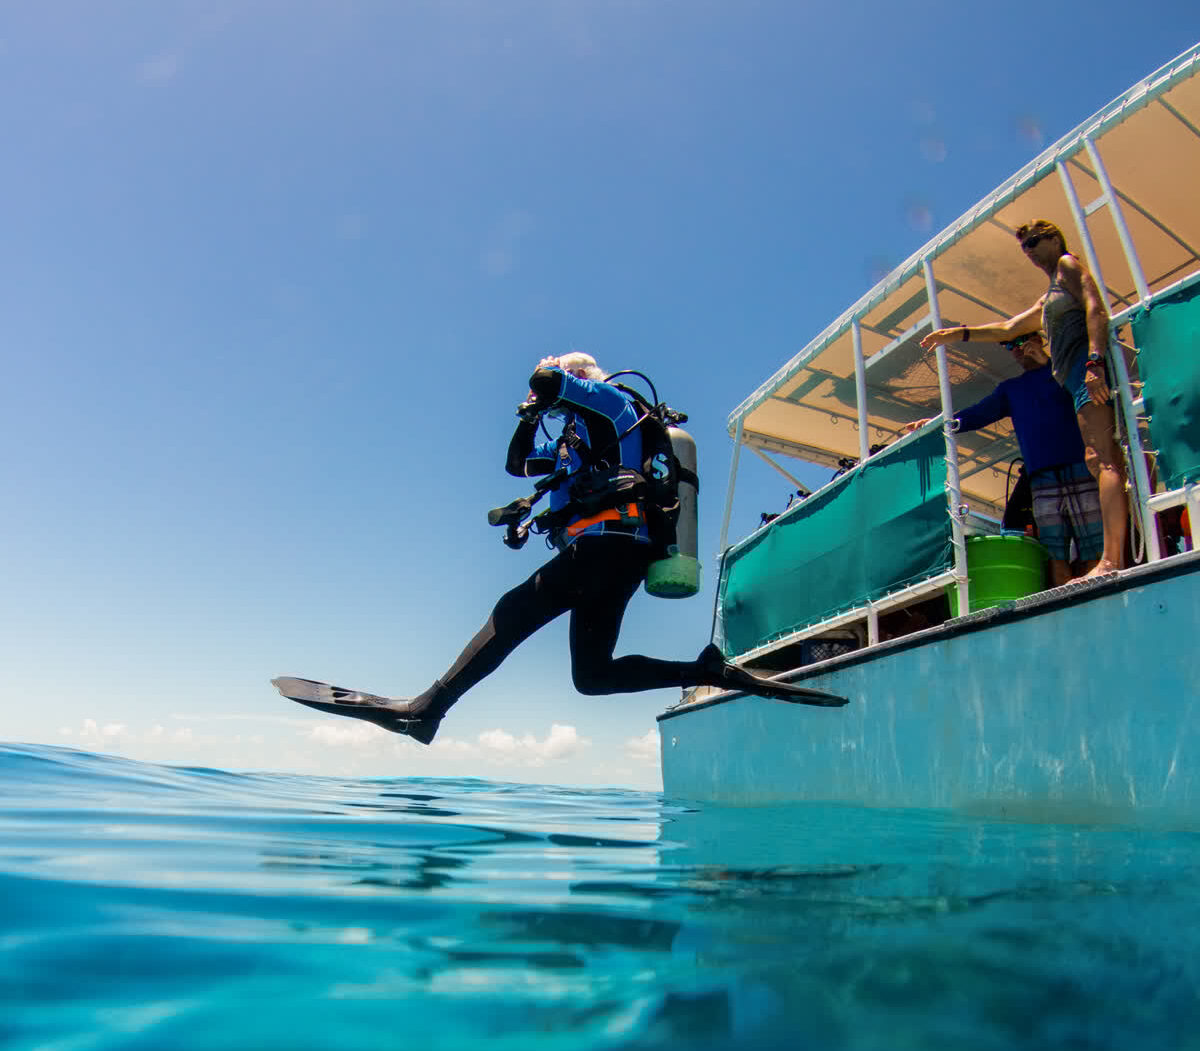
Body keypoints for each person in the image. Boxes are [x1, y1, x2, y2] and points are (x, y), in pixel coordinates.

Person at [275, 352, 845, 744]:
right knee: (592, 675)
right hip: (615, 558)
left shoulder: (616, 407)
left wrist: (544, 387)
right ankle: (711, 671)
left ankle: (426, 711)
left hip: (611, 547)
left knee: (512, 610)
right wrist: (529, 417)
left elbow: (551, 382)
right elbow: (518, 464)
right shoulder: (577, 445)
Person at [919, 219, 1127, 577]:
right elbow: (1009, 328)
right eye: (1024, 247)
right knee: (1094, 469)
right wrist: (958, 334)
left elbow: (1095, 307)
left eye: (1034, 242)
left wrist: (1095, 360)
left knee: (1103, 459)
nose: (1029, 251)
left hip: (1085, 371)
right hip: (1049, 453)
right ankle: (1100, 568)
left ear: (1055, 237)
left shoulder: (1067, 265)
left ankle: (1111, 559)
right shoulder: (1047, 300)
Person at [905, 330, 1103, 585]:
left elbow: (1081, 392)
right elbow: (977, 414)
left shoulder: (1064, 371)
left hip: (1079, 465)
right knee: (1054, 549)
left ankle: (1100, 590)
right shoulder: (1011, 389)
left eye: (1022, 340)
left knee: (1093, 542)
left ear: (1039, 340)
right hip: (1040, 476)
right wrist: (937, 423)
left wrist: (1046, 362)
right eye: (1011, 345)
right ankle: (1066, 597)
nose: (1018, 349)